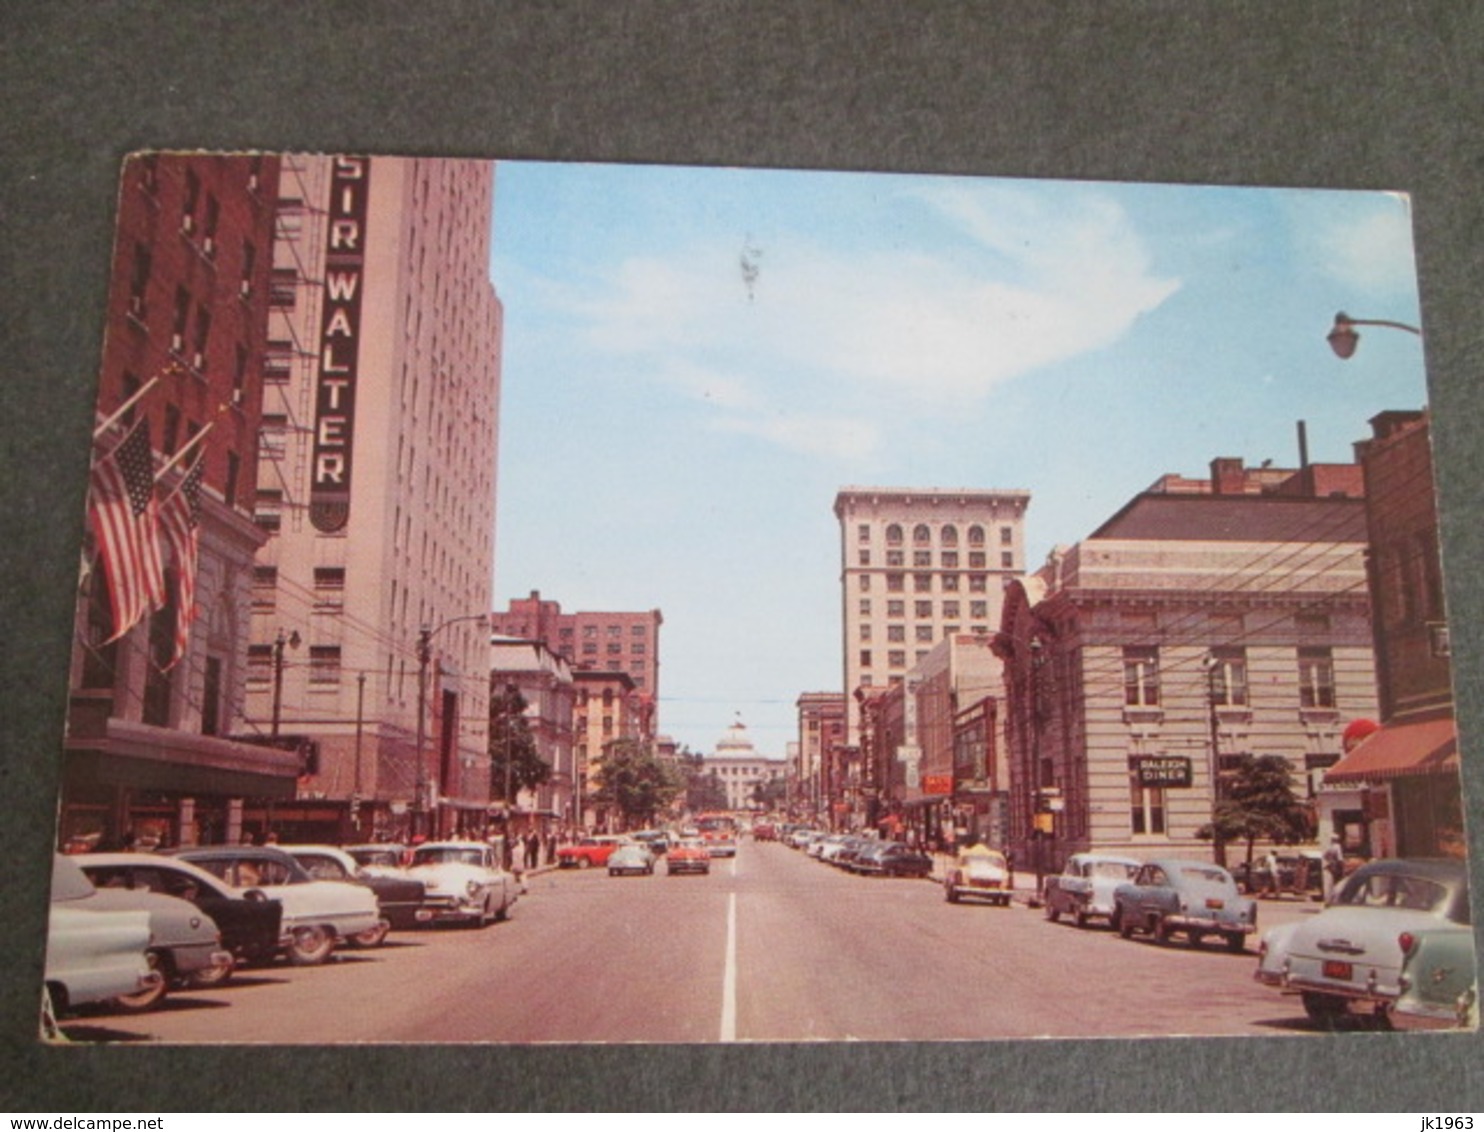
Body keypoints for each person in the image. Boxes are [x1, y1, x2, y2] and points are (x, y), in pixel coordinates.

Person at [1322, 835, 1345, 903]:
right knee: (1338, 880)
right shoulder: (1337, 846)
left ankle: (1331, 894)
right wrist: (1342, 866)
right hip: (1336, 866)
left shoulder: (1330, 847)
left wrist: (1330, 861)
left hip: (1331, 866)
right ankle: (1337, 895)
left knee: (1332, 880)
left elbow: (1324, 856)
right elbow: (1340, 858)